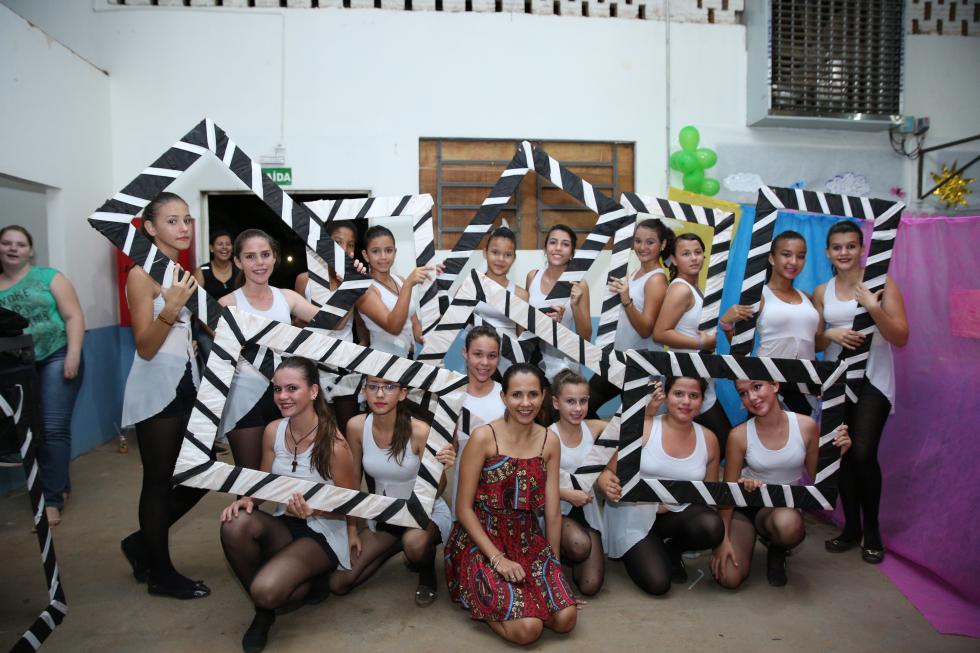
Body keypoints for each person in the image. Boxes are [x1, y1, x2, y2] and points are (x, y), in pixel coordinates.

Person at [219, 357, 357, 653]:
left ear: (314, 391)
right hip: (285, 522)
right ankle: (270, 606)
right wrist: (248, 499)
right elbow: (264, 484)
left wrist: (315, 510)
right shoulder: (273, 431)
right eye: (277, 389)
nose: (282, 396)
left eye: (292, 388)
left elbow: (351, 503)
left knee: (267, 590)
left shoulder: (334, 443)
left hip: (322, 531)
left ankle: (274, 600)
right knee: (234, 523)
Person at [116, 192, 209, 599]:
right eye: (172, 221)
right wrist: (170, 308)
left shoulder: (183, 272)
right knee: (158, 481)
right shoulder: (141, 275)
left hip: (187, 381)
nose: (183, 227)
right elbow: (146, 346)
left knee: (202, 472)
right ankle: (161, 573)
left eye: (186, 219)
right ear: (150, 228)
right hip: (156, 388)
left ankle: (141, 544)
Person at [445, 363, 577, 645]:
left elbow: (553, 511)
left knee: (566, 619)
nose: (525, 403)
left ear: (543, 396)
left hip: (527, 538)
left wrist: (554, 567)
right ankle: (485, 599)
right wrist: (497, 559)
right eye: (517, 395)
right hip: (480, 540)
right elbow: (463, 509)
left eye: (533, 394)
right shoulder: (483, 437)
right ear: (503, 397)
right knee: (528, 630)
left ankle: (527, 602)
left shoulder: (549, 441)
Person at [814, 220, 908, 564]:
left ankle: (873, 529)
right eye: (837, 247)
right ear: (828, 252)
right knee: (841, 452)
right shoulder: (822, 291)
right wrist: (831, 334)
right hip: (837, 378)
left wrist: (872, 306)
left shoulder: (881, 283)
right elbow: (815, 341)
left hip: (873, 377)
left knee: (863, 453)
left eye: (851, 246)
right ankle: (851, 527)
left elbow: (900, 336)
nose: (844, 252)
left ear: (862, 249)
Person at [711, 379, 851, 588]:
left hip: (782, 508)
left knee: (788, 526)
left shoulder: (805, 426)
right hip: (747, 507)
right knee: (728, 578)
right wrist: (722, 541)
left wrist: (836, 455)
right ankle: (749, 537)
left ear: (775, 385)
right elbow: (727, 492)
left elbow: (816, 476)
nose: (751, 397)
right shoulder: (738, 435)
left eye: (757, 387)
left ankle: (777, 549)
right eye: (743, 393)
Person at [328, 376, 455, 606]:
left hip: (423, 513)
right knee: (339, 583)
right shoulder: (356, 426)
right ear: (364, 391)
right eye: (373, 386)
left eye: (389, 387)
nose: (380, 394)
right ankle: (395, 545)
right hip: (384, 515)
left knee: (415, 546)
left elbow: (439, 489)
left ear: (402, 393)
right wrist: (352, 529)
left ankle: (426, 573)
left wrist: (439, 469)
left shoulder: (419, 431)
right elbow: (353, 481)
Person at [599, 376, 724, 596]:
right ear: (666, 396)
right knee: (658, 583)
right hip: (634, 516)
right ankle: (645, 547)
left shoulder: (709, 439)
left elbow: (710, 497)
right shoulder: (646, 427)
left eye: (694, 395)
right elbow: (608, 471)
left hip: (674, 514)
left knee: (712, 525)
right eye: (679, 394)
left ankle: (673, 548)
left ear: (702, 401)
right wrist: (606, 484)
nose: (686, 401)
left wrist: (724, 540)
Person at [218, 229, 325, 470]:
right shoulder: (227, 304)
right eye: (250, 256)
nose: (259, 262)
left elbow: (332, 322)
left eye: (265, 254)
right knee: (249, 476)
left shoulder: (287, 298)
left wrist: (350, 284)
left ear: (275, 257)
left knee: (284, 471)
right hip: (244, 398)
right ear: (238, 261)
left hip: (284, 395)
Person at [0, 225, 85, 527]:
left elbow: (73, 316)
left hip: (57, 354)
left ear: (30, 250)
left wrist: (73, 353)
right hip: (16, 365)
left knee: (52, 428)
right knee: (31, 430)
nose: (13, 248)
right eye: (6, 243)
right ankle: (60, 486)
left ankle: (51, 499)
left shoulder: (50, 277)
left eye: (20, 244)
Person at [653, 233, 752, 452]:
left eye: (697, 252)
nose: (694, 258)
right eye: (686, 254)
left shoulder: (694, 289)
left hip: (699, 377)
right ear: (674, 259)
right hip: (686, 378)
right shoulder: (681, 289)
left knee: (701, 445)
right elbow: (660, 333)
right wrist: (701, 343)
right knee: (727, 444)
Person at [588, 218, 671, 418]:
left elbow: (645, 330)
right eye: (638, 241)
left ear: (662, 245)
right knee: (582, 405)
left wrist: (626, 301)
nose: (642, 247)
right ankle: (603, 435)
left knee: (638, 426)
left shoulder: (657, 279)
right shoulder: (634, 273)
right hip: (618, 359)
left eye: (650, 242)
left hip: (641, 365)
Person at [293, 220, 361, 434]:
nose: (344, 249)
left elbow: (360, 328)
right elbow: (296, 323)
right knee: (315, 432)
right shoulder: (304, 280)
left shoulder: (355, 282)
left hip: (344, 366)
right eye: (338, 242)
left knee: (346, 431)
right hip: (312, 365)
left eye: (350, 244)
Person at [742, 230, 820, 414]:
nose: (793, 262)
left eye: (800, 256)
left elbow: (812, 343)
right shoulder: (758, 296)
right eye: (786, 254)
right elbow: (740, 344)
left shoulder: (807, 298)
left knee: (801, 431)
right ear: (772, 258)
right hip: (768, 384)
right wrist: (726, 325)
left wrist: (832, 335)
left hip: (804, 385)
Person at [549, 369, 608, 596]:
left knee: (590, 585)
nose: (577, 408)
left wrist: (649, 409)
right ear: (556, 403)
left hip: (587, 510)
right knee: (579, 544)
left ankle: (571, 557)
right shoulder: (546, 436)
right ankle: (558, 553)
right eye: (570, 401)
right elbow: (535, 484)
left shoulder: (595, 428)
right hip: (556, 510)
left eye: (583, 401)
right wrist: (566, 494)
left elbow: (630, 430)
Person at [451, 326, 506, 517]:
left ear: (499, 357)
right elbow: (450, 450)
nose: (484, 362)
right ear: (465, 353)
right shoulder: (452, 396)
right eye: (477, 354)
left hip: (503, 493)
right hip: (465, 494)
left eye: (492, 356)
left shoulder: (507, 397)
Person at [525, 224, 591, 381]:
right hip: (533, 357)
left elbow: (586, 337)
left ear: (572, 253)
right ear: (545, 248)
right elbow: (525, 321)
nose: (558, 248)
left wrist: (575, 306)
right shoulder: (532, 276)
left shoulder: (579, 284)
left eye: (565, 244)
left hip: (563, 362)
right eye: (553, 242)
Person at [355, 225, 433, 358]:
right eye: (375, 251)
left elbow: (414, 324)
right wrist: (408, 285)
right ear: (366, 255)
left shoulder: (400, 280)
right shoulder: (364, 289)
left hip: (409, 358)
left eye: (388, 250)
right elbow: (393, 327)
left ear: (395, 252)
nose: (383, 256)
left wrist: (433, 340)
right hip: (383, 362)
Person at [472, 225, 530, 373]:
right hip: (478, 363)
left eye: (508, 254)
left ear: (514, 258)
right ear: (485, 252)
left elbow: (522, 337)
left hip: (509, 365)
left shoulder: (520, 295)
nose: (500, 259)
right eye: (495, 252)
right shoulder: (469, 288)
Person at [193, 230, 238, 299]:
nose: (224, 247)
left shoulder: (239, 269)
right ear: (211, 248)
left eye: (228, 244)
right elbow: (194, 299)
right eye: (220, 244)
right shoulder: (203, 271)